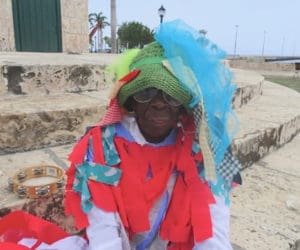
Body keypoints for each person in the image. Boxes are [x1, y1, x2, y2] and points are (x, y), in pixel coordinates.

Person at [0, 19, 241, 250]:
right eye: (146, 92)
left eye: (171, 95)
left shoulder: (204, 151)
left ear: (182, 107)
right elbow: (103, 228)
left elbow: (212, 226)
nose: (158, 104)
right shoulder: (102, 147)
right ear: (130, 103)